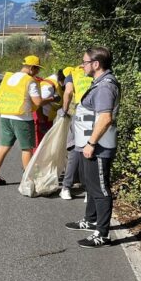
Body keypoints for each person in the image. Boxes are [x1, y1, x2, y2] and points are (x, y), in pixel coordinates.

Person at [65, 47, 120, 248]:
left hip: (97, 146)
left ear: (96, 64)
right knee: (90, 185)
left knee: (100, 189)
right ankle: (90, 220)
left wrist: (91, 143)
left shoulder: (105, 87)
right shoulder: (99, 84)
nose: (82, 65)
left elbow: (105, 118)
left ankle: (102, 234)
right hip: (89, 145)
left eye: (85, 62)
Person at [0, 55, 55, 186]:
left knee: (4, 146)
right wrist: (51, 99)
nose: (37, 72)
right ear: (32, 68)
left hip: (5, 116)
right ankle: (29, 181)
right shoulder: (30, 81)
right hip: (22, 118)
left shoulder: (9, 77)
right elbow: (38, 102)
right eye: (37, 69)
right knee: (27, 149)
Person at [59, 65, 94, 200]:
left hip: (82, 114)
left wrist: (64, 110)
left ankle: (66, 187)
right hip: (97, 114)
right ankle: (88, 191)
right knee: (91, 149)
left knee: (74, 149)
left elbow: (68, 92)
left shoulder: (73, 73)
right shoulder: (98, 73)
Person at [34, 69, 64, 149]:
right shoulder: (49, 86)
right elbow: (38, 103)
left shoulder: (55, 82)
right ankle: (37, 161)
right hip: (41, 117)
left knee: (45, 143)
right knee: (40, 145)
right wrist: (41, 121)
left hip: (47, 117)